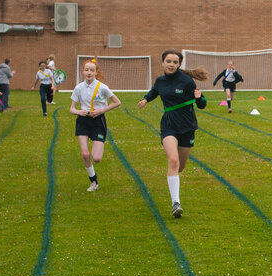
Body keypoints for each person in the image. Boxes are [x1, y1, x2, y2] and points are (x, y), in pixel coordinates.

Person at [138, 49, 207, 217]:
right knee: (173, 161)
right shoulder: (160, 81)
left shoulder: (186, 81)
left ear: (179, 65)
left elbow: (202, 104)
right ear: (163, 62)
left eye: (175, 62)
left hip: (187, 126)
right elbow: (154, 91)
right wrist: (146, 99)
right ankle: (176, 203)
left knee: (180, 166)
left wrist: (199, 97)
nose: (171, 64)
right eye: (168, 61)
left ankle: (175, 180)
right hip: (169, 125)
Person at [69, 58, 121, 192]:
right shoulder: (78, 87)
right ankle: (94, 182)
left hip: (98, 121)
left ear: (96, 72)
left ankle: (94, 175)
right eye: (86, 70)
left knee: (96, 158)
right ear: (83, 71)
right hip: (83, 120)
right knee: (85, 154)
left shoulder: (102, 87)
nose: (89, 72)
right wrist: (79, 112)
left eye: (92, 70)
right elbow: (72, 109)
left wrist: (101, 110)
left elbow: (117, 102)